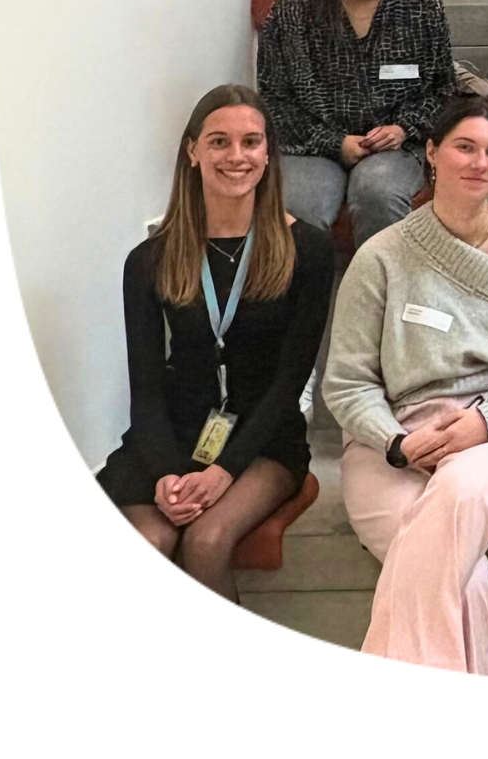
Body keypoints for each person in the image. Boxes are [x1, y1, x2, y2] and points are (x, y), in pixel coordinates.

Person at [323, 96, 488, 671]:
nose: (479, 163)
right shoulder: (381, 256)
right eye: (464, 147)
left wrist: (485, 422)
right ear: (432, 153)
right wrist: (396, 442)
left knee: (461, 492)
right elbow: (347, 383)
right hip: (391, 445)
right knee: (467, 585)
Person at [97, 86, 335, 596]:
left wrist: (224, 471)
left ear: (268, 153)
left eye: (251, 142)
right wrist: (166, 473)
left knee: (206, 539)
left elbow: (290, 382)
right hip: (176, 429)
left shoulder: (308, 250)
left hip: (263, 437)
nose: (236, 156)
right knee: (149, 540)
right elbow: (146, 389)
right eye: (219, 141)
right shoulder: (148, 260)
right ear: (193, 151)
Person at [258, 0, 454, 241]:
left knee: (377, 191)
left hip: (396, 148)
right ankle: (308, 281)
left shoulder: (422, 7)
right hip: (311, 146)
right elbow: (273, 102)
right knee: (302, 203)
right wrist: (335, 142)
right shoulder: (293, 10)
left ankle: (379, 279)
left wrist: (403, 128)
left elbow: (443, 91)